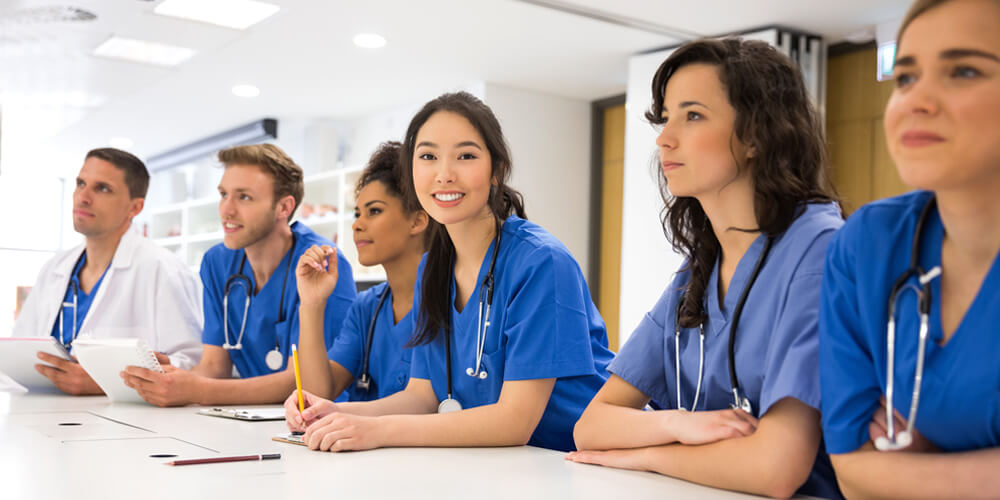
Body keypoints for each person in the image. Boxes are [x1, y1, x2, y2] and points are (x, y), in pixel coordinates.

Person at [568, 39, 844, 499]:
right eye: (665, 117)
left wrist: (648, 456)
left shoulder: (818, 248)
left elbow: (775, 469)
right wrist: (681, 424)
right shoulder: (699, 268)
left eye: (692, 116)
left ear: (757, 135)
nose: (663, 138)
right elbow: (591, 426)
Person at [284, 92, 613, 453]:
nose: (444, 174)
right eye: (427, 156)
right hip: (498, 463)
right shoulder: (433, 268)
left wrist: (377, 432)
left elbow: (514, 421)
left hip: (574, 462)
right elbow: (422, 396)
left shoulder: (540, 262)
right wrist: (336, 412)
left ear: (496, 171)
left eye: (466, 156)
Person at [818, 0, 1000, 497]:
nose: (916, 100)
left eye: (963, 71)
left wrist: (924, 468)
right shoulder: (868, 245)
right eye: (905, 78)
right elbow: (852, 472)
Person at [121, 144, 356, 406]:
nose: (226, 210)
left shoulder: (322, 266)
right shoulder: (217, 263)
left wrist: (197, 390)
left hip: (321, 423)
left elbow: (304, 381)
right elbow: (214, 367)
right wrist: (168, 379)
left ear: (283, 207)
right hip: (246, 416)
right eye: (223, 194)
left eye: (244, 197)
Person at [14, 148, 202, 395]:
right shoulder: (54, 269)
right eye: (81, 183)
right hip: (46, 413)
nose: (83, 197)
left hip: (127, 425)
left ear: (135, 207)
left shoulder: (162, 269)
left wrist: (106, 381)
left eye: (102, 189)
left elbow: (191, 364)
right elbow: (21, 349)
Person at [296, 141, 428, 401]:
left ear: (417, 220)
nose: (357, 224)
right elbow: (315, 395)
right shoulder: (367, 308)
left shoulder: (451, 303)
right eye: (357, 213)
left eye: (374, 211)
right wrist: (311, 304)